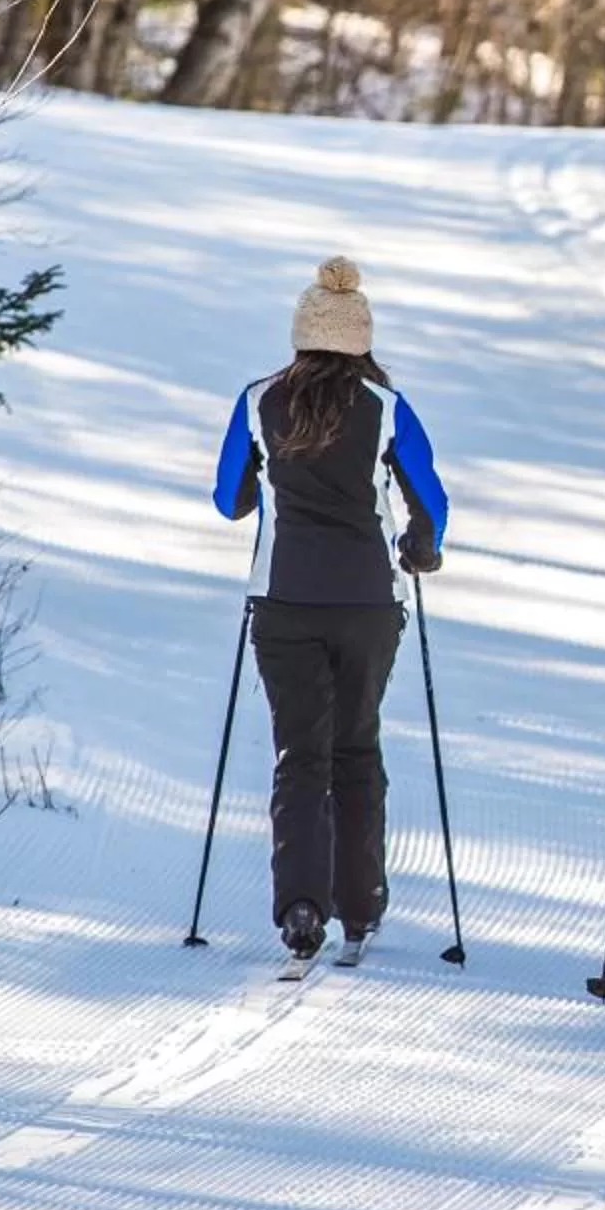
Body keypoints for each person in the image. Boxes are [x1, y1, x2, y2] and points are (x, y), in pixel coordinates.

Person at [212, 257, 450, 964]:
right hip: (369, 604)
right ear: (361, 339)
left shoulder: (259, 400)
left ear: (301, 335)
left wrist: (260, 484)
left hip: (283, 603)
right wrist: (420, 546)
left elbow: (229, 499)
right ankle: (359, 906)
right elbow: (430, 500)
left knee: (299, 754)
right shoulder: (386, 406)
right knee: (356, 747)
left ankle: (300, 907)